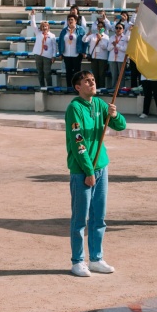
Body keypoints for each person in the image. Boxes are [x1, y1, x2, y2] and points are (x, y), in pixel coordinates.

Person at [65, 70, 126, 277]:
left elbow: (121, 126)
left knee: (99, 216)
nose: (92, 83)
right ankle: (77, 261)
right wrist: (88, 171)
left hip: (101, 166)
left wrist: (115, 115)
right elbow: (78, 141)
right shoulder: (74, 108)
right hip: (82, 170)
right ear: (78, 87)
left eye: (93, 80)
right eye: (86, 81)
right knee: (80, 218)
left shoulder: (100, 104)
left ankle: (96, 258)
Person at [29, 10, 57, 86]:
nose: (44, 27)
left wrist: (54, 56)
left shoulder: (52, 35)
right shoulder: (38, 33)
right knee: (40, 72)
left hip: (47, 56)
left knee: (47, 72)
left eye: (46, 26)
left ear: (48, 27)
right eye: (43, 26)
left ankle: (49, 87)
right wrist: (33, 15)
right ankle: (42, 87)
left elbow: (54, 47)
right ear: (41, 27)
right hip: (38, 55)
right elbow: (33, 24)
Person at [59, 14, 87, 87]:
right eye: (69, 20)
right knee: (68, 72)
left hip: (77, 54)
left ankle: (77, 87)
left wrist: (84, 52)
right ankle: (69, 87)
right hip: (66, 54)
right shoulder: (64, 30)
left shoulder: (80, 29)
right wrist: (60, 53)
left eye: (72, 20)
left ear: (76, 21)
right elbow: (60, 42)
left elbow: (85, 42)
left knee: (77, 72)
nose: (70, 21)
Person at [82, 20, 109, 88]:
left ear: (104, 28)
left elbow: (105, 47)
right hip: (94, 57)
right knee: (95, 75)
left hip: (102, 58)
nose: (100, 28)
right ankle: (95, 88)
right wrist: (87, 34)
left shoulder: (106, 37)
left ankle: (101, 88)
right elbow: (84, 40)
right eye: (98, 26)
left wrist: (101, 39)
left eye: (101, 27)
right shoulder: (93, 35)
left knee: (101, 74)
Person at [106, 23, 127, 88]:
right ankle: (113, 89)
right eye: (117, 28)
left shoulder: (125, 38)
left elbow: (125, 49)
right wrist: (114, 45)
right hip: (112, 59)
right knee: (114, 75)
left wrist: (117, 45)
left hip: (121, 59)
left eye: (120, 28)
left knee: (121, 76)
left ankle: (121, 89)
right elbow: (108, 48)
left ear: (123, 30)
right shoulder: (112, 37)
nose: (118, 29)